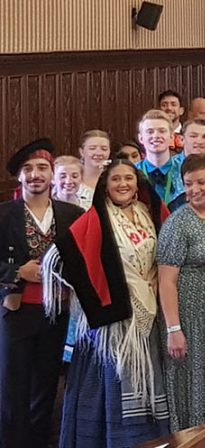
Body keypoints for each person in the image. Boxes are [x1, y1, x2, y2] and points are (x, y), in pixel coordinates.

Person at [44, 159, 170, 446]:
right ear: (105, 186)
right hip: (115, 322)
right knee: (115, 385)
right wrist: (83, 290)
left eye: (129, 178)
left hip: (152, 308)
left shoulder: (150, 212)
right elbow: (57, 257)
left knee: (154, 384)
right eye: (116, 179)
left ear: (138, 183)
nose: (123, 184)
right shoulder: (97, 217)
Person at [0, 140, 84, 447]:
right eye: (28, 169)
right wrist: (17, 273)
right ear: (19, 177)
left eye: (42, 168)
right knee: (13, 387)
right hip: (16, 311)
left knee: (47, 386)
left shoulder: (72, 214)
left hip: (57, 311)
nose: (35, 174)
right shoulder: (4, 214)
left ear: (52, 175)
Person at [157, 154, 205, 448]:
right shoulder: (179, 223)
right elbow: (166, 280)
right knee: (198, 382)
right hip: (192, 315)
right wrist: (173, 329)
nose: (194, 189)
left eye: (202, 182)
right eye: (188, 184)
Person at [137, 109, 183, 206]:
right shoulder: (133, 171)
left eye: (162, 131)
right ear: (140, 138)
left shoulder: (184, 170)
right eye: (150, 132)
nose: (156, 136)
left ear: (171, 137)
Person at [79, 129, 112, 194]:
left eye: (104, 149)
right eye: (92, 148)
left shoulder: (113, 177)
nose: (99, 153)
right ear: (82, 152)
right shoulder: (72, 179)